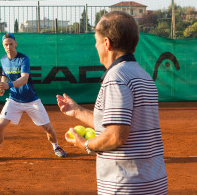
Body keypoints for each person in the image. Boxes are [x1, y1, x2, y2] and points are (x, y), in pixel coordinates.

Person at [56, 11, 167, 194]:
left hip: (126, 186)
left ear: (107, 43)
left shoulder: (116, 78)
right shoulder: (142, 75)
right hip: (153, 184)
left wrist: (84, 144)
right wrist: (76, 111)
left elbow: (116, 135)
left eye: (96, 41)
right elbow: (119, 124)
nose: (96, 46)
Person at [0, 33, 66, 161]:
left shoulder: (23, 59)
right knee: (0, 126)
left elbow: (24, 78)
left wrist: (8, 85)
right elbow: (5, 77)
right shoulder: (3, 60)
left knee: (48, 127)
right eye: (6, 45)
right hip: (14, 100)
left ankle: (56, 147)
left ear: (15, 44)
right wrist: (2, 89)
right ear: (3, 46)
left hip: (32, 100)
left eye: (10, 44)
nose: (8, 47)